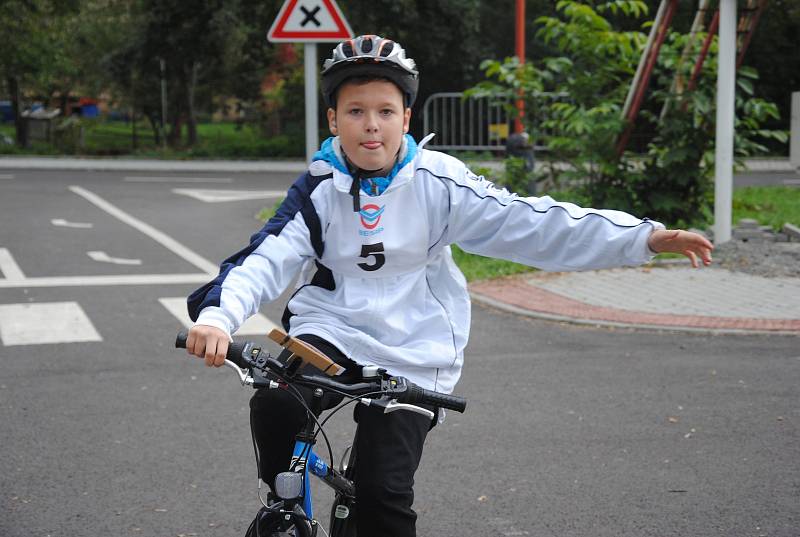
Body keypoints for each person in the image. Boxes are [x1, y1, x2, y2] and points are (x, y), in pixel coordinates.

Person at [184, 35, 713, 537]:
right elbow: (263, 258)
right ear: (333, 119)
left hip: (414, 349)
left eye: (386, 112)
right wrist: (216, 318)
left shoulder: (439, 183)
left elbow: (533, 223)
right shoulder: (317, 190)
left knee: (382, 497)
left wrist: (644, 239)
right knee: (276, 402)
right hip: (331, 331)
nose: (372, 126)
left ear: (407, 118)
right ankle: (281, 503)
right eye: (355, 111)